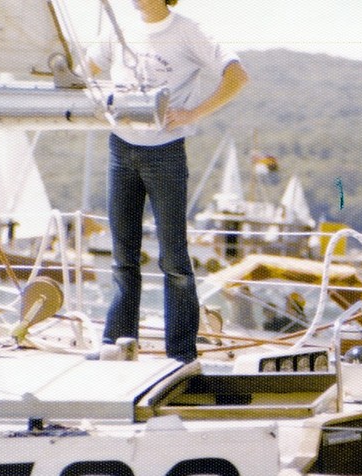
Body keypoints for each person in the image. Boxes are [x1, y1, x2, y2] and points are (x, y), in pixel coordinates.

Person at [87, 0, 249, 363]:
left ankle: (180, 355)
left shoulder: (189, 30)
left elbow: (237, 76)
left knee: (174, 259)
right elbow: (85, 71)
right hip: (120, 148)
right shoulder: (117, 30)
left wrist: (194, 113)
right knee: (122, 259)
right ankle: (116, 345)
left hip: (166, 153)